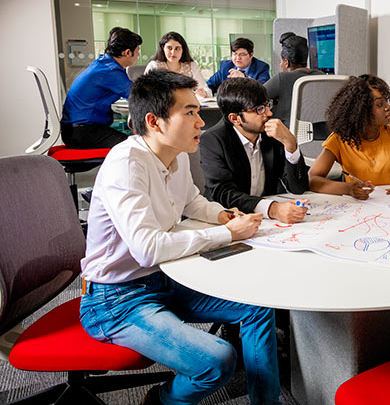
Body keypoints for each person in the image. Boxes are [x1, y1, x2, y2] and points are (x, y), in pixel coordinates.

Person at [79, 69, 280, 405]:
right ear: (154, 121)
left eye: (198, 112)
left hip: (164, 280)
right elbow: (147, 249)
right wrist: (224, 234)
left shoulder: (177, 156)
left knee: (258, 306)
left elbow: (191, 200)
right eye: (190, 113)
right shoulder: (126, 164)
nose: (201, 122)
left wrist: (221, 215)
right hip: (115, 298)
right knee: (217, 361)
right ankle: (160, 401)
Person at [199, 77, 309, 223]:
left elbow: (298, 188)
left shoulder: (272, 133)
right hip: (228, 220)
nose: (269, 113)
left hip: (266, 221)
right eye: (259, 109)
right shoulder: (212, 140)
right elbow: (224, 193)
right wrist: (273, 209)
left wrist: (290, 144)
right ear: (235, 119)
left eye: (267, 105)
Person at [309, 74, 390, 200]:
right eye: (380, 104)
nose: (388, 107)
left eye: (386, 101)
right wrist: (348, 189)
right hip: (358, 207)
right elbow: (312, 179)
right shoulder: (339, 139)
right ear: (361, 111)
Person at [61, 26, 142, 149]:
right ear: (127, 52)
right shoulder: (110, 72)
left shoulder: (103, 64)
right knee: (134, 148)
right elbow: (139, 96)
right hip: (82, 132)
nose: (138, 54)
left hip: (74, 130)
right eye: (137, 51)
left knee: (131, 140)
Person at [264, 32, 324, 124]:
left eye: (281, 61)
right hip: (323, 134)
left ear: (286, 62)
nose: (280, 65)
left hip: (289, 133)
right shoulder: (321, 76)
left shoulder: (282, 78)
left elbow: (253, 97)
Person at [145, 31, 213, 99]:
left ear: (182, 50)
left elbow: (208, 91)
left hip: (186, 107)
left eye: (177, 48)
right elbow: (144, 93)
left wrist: (204, 93)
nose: (173, 52)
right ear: (163, 48)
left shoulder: (191, 66)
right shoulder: (154, 66)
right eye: (169, 48)